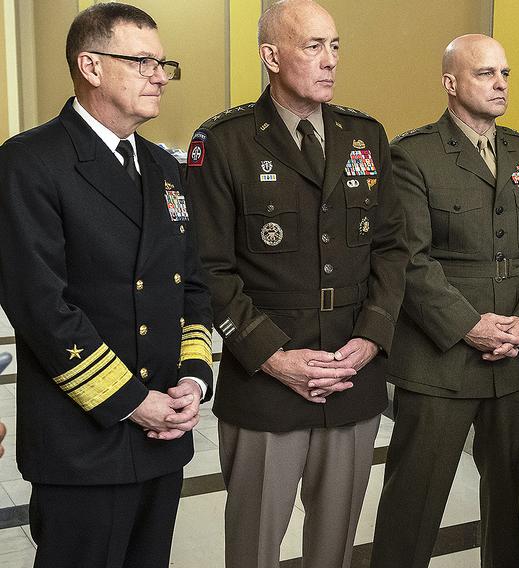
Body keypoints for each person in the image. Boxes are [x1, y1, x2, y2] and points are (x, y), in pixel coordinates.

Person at [182, 1, 407, 567]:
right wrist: (274, 357)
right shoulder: (225, 142)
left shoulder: (365, 135)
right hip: (265, 383)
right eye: (313, 46)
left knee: (333, 548)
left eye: (335, 46)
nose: (329, 60)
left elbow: (391, 249)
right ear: (270, 56)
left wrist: (371, 338)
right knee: (255, 547)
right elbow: (209, 268)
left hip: (351, 375)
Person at [0, 3, 213, 567]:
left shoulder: (165, 168)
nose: (160, 75)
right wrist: (132, 401)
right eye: (142, 61)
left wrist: (192, 380)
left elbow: (189, 284)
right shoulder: (30, 162)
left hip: (165, 431)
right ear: (90, 66)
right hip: (84, 443)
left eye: (164, 63)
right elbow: (42, 307)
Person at [370, 34, 519, 568]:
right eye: (485, 73)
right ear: (450, 83)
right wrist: (470, 326)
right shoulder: (413, 155)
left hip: (515, 360)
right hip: (441, 359)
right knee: (415, 500)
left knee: (506, 503)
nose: (500, 83)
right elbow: (409, 257)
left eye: (505, 73)